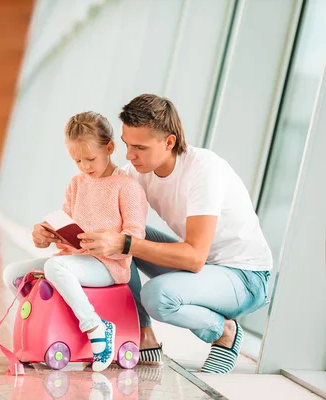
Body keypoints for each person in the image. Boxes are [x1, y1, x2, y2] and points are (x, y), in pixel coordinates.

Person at [70, 94, 273, 373]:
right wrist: (53, 230)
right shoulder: (139, 171)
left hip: (245, 277)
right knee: (115, 235)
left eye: (140, 147)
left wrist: (126, 243)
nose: (130, 156)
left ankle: (223, 331)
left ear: (169, 142)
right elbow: (98, 192)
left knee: (156, 295)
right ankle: (144, 335)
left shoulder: (204, 170)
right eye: (127, 145)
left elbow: (194, 258)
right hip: (205, 270)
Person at [2, 111, 147, 372]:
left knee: (55, 268)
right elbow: (65, 223)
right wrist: (45, 234)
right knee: (12, 273)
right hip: (75, 260)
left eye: (90, 158)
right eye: (77, 160)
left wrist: (111, 244)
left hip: (108, 266)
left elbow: (136, 238)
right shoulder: (77, 183)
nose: (84, 166)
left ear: (110, 147)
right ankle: (43, 321)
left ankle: (96, 327)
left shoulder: (127, 187)